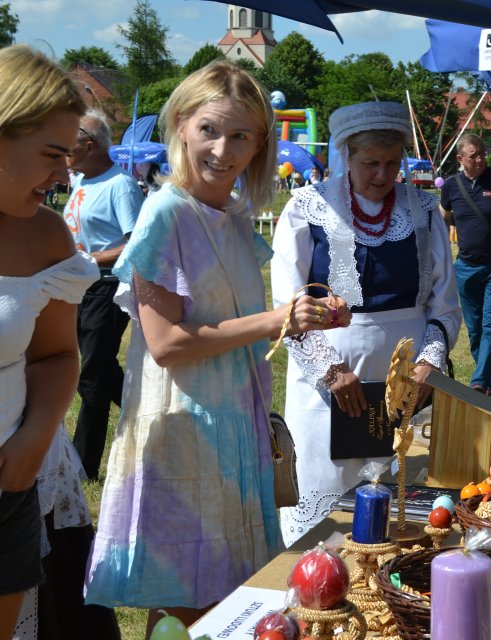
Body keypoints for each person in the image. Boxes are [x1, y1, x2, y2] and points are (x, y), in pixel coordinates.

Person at [85, 61, 345, 631]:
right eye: (209, 129)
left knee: (234, 590)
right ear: (181, 125)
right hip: (184, 429)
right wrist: (276, 319)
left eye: (240, 135)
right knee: (185, 595)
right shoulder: (165, 213)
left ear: (259, 145)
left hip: (233, 424)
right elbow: (167, 344)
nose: (222, 149)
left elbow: (233, 318)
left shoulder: (231, 214)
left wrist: (299, 317)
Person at [270, 101, 461, 546]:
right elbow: (287, 303)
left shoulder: (425, 210)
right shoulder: (306, 208)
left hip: (403, 380)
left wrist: (429, 362)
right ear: (346, 156)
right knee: (326, 507)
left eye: (392, 163)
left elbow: (444, 304)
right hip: (327, 382)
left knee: (396, 501)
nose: (382, 174)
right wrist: (330, 370)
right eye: (370, 163)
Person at [0, 45, 100, 640]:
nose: (65, 173)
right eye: (52, 154)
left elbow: (59, 356)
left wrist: (34, 440)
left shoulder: (45, 236)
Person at [62, 108, 145, 480]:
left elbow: (138, 243)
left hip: (108, 286)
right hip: (78, 284)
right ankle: (147, 415)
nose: (64, 153)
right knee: (102, 369)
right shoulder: (81, 180)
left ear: (90, 146)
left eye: (70, 147)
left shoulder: (120, 185)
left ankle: (83, 467)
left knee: (92, 375)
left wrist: (91, 258)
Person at [439, 134, 491, 395]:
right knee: (474, 330)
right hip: (465, 268)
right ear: (460, 158)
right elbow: (443, 219)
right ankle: (490, 381)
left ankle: (477, 382)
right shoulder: (452, 186)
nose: (480, 159)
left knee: (490, 324)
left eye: (483, 154)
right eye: (474, 155)